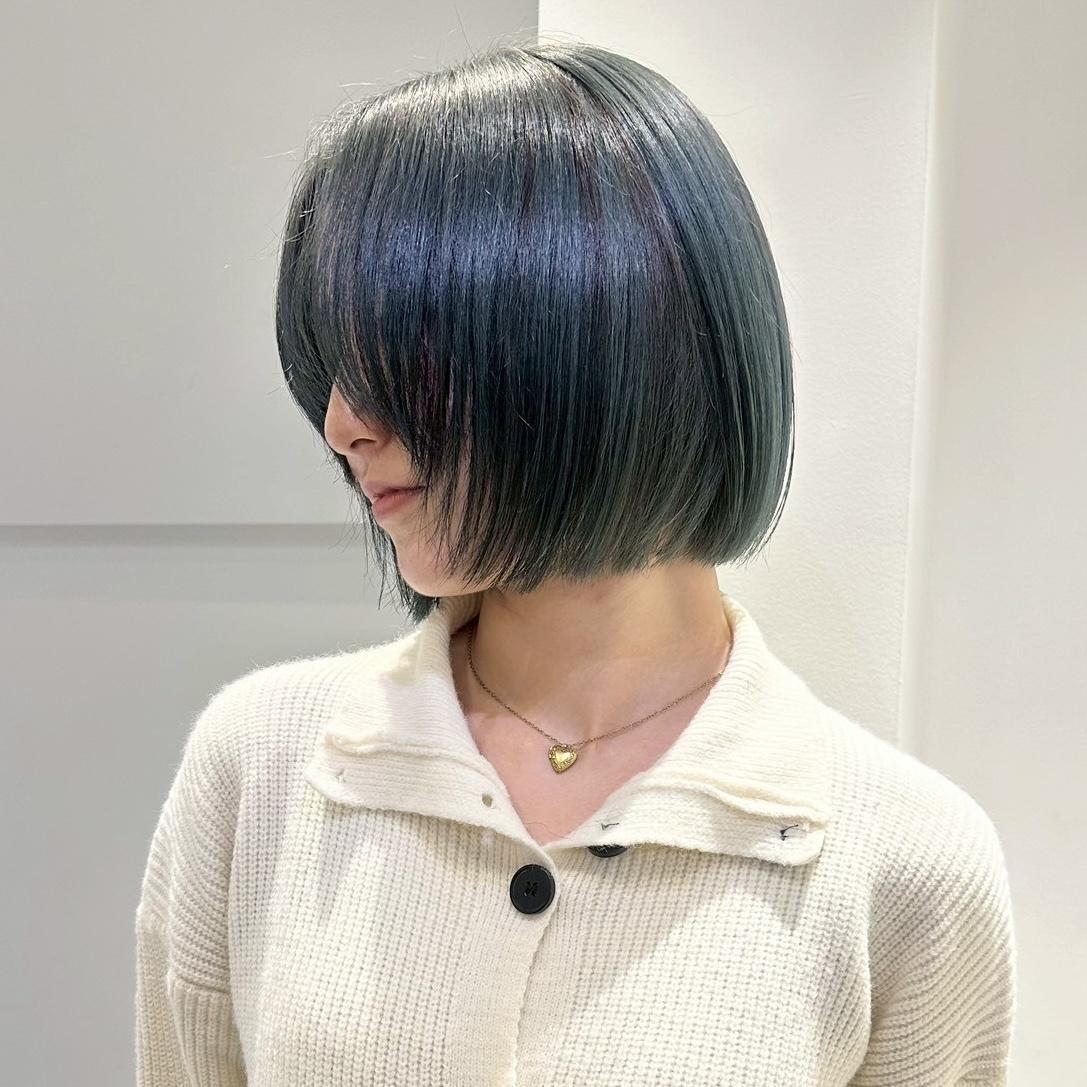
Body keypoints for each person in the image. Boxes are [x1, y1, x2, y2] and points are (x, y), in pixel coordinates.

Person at [134, 36, 1016, 1085]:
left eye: (399, 351)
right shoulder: (262, 768)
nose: (339, 422)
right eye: (331, 362)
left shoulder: (904, 864)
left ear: (601, 334)